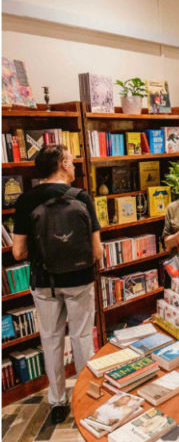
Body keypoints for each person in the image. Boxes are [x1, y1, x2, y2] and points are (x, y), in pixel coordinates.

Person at [12, 145, 102, 424]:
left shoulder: (26, 201)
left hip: (44, 283)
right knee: (82, 339)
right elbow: (97, 252)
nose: (74, 166)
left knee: (51, 341)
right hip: (79, 281)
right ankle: (87, 399)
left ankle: (57, 403)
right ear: (62, 163)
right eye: (72, 161)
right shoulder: (82, 197)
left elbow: (17, 253)